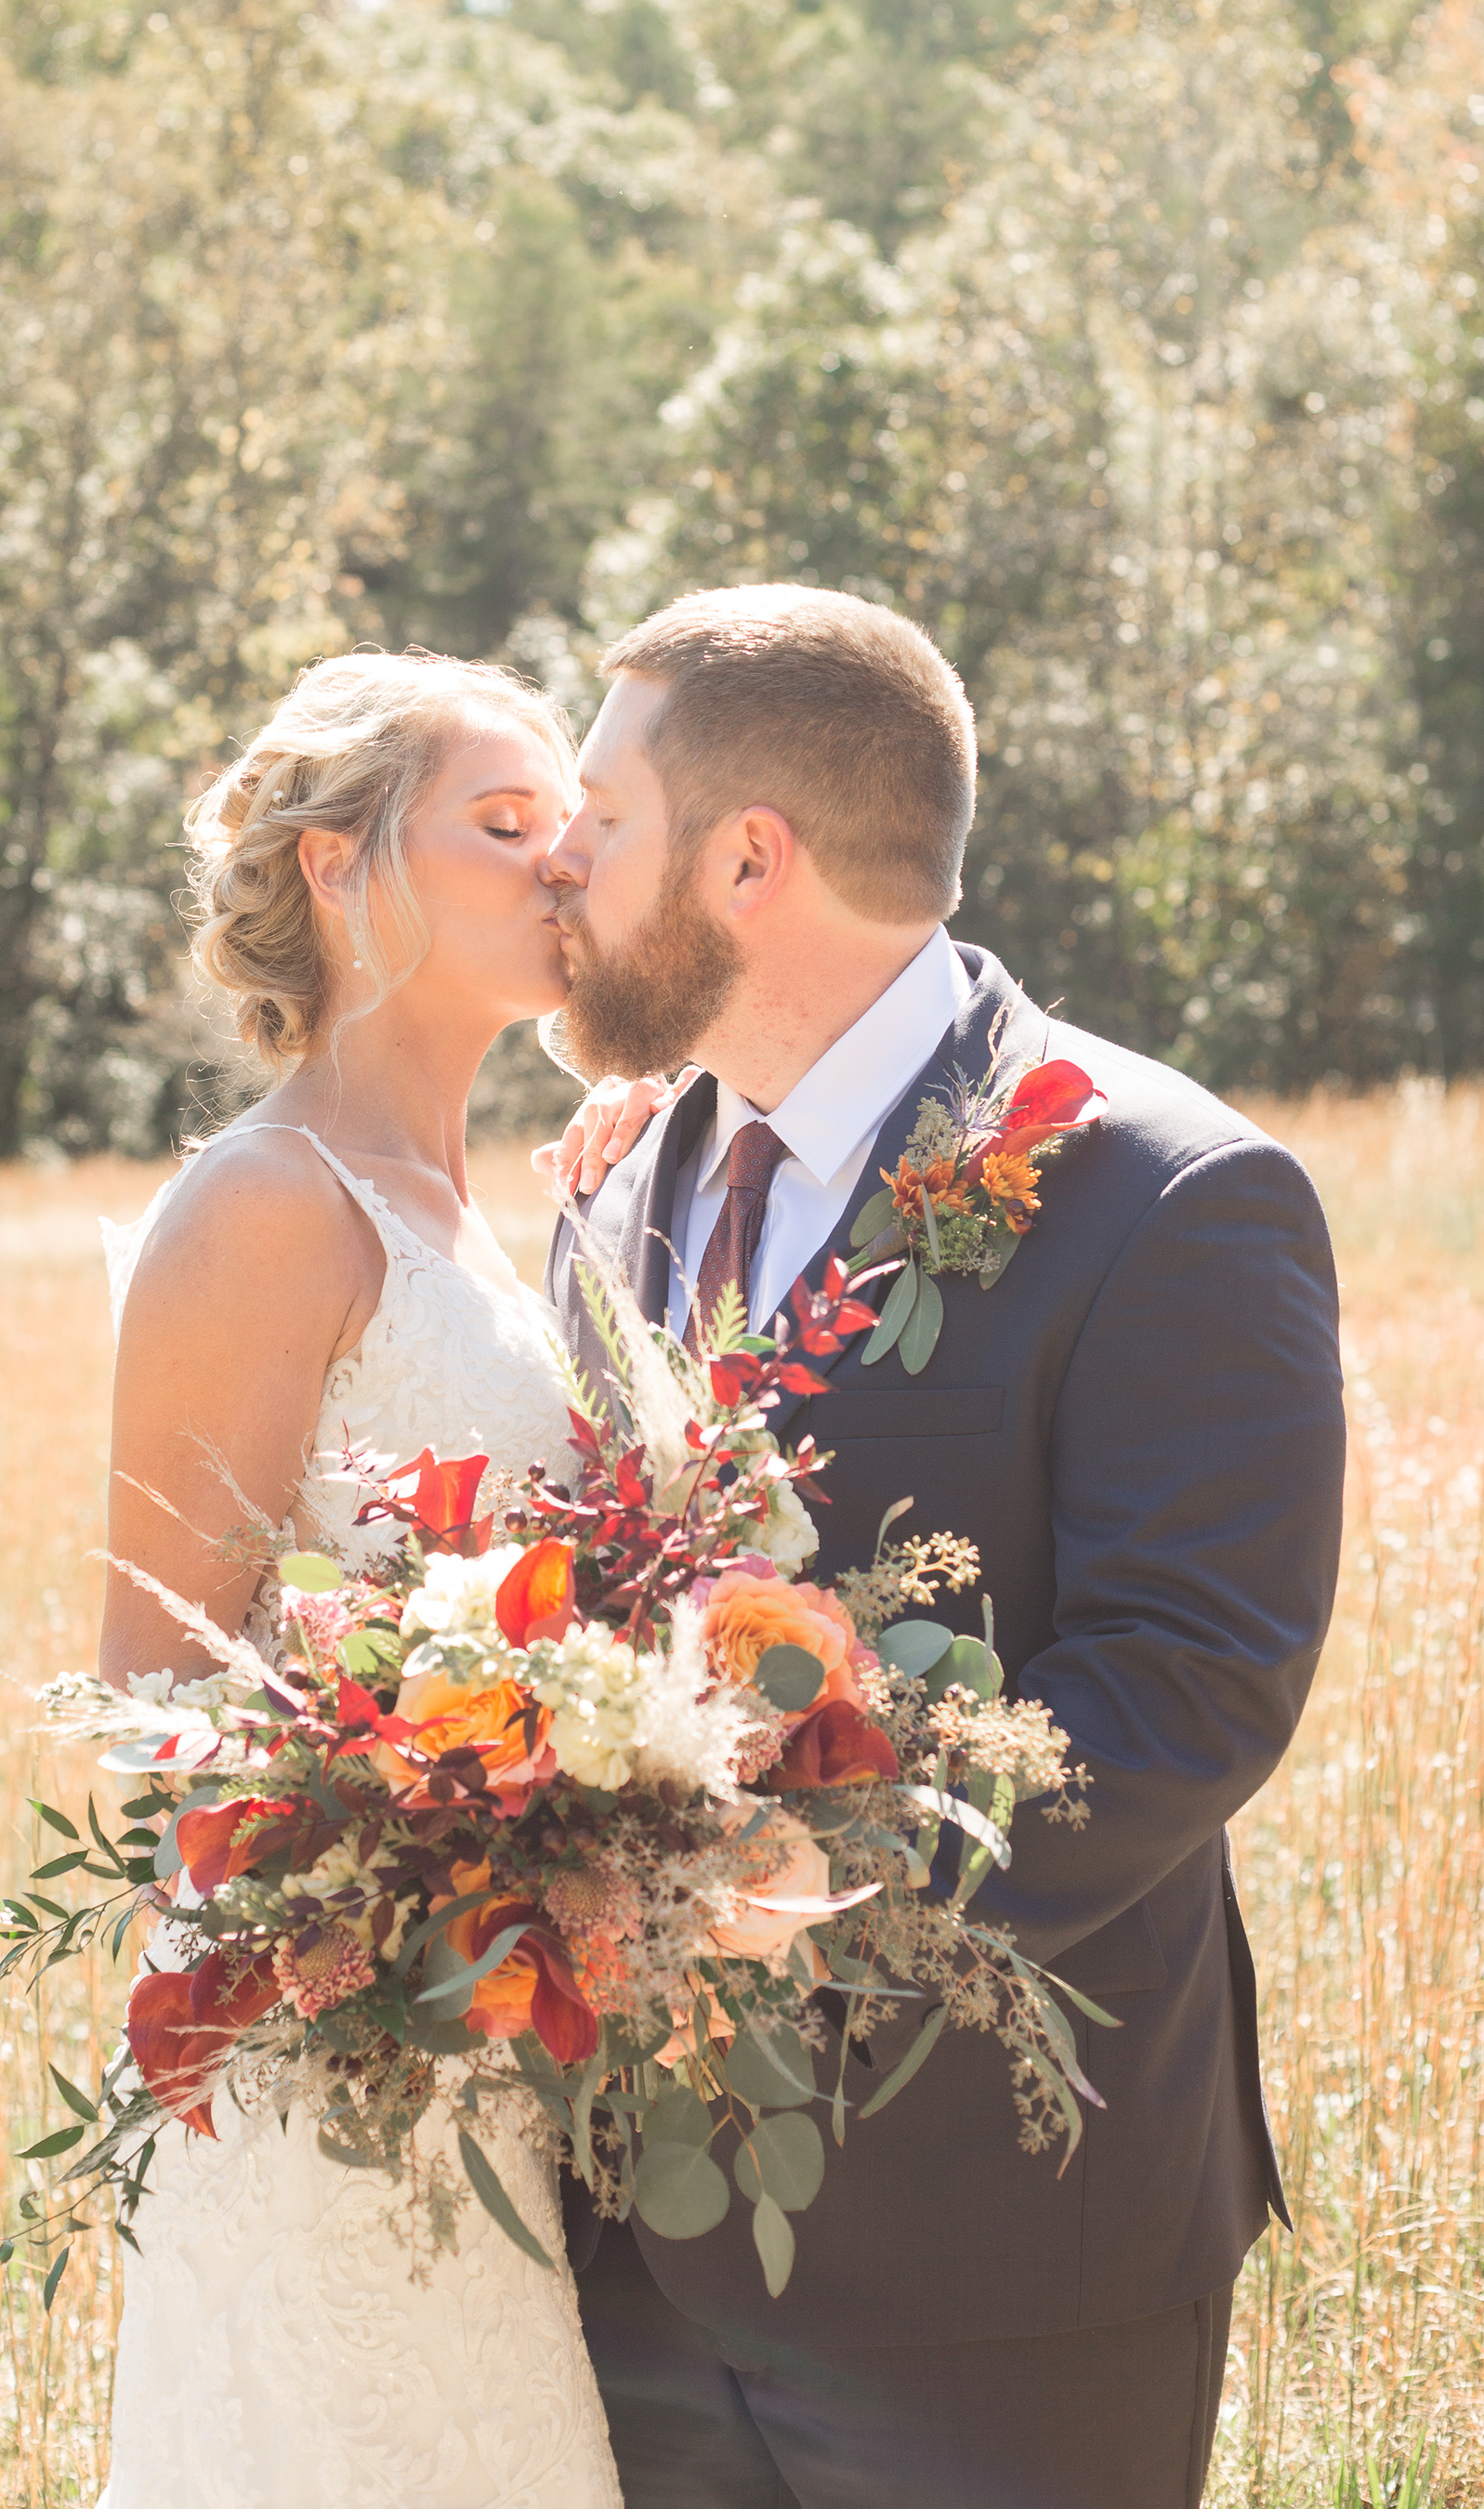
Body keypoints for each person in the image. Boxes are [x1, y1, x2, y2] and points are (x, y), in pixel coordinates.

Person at [540, 584, 1347, 2509]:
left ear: (752, 859)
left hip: (1007, 2256)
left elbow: (1188, 1686)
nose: (562, 866)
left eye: (602, 821)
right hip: (634, 2247)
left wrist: (808, 1884)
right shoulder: (624, 1172)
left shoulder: (1168, 1194)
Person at [95, 651, 623, 2509]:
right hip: (333, 2051)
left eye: (574, 827)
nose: (563, 864)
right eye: (502, 826)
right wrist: (439, 1837)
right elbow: (153, 1694)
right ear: (333, 867)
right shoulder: (267, 1206)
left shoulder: (497, 1214)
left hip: (503, 2040)